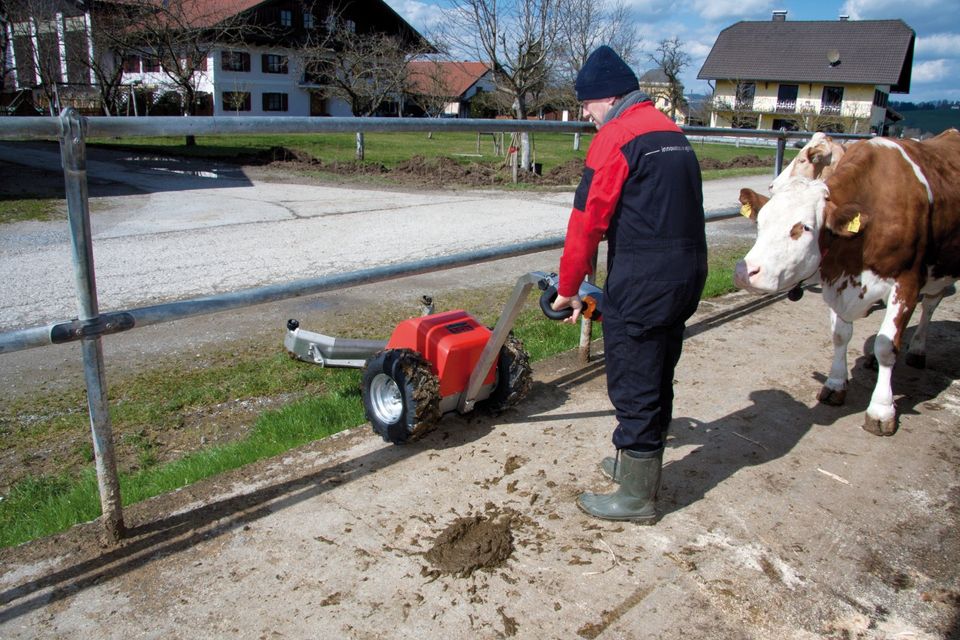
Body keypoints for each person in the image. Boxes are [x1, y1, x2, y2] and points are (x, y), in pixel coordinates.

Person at [551, 45, 707, 524]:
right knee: (659, 370)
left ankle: (637, 497)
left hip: (644, 280)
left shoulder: (617, 135)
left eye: (586, 104)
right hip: (688, 273)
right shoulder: (672, 132)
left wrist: (565, 288)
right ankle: (632, 465)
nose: (584, 114)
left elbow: (587, 221)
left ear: (606, 97)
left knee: (634, 378)